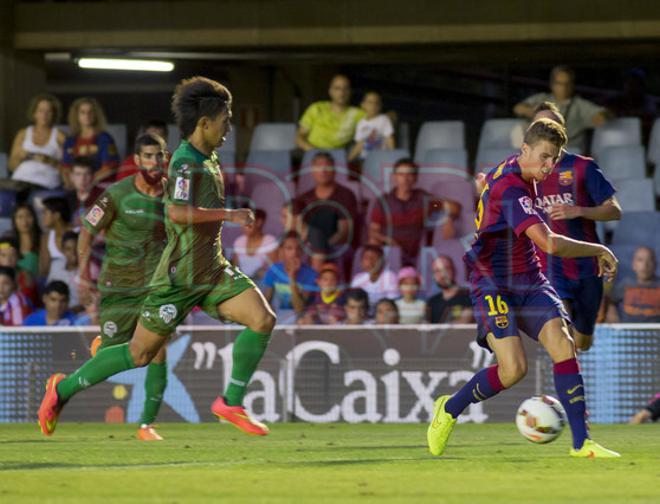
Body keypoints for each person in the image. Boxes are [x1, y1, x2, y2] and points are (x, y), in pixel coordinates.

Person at [38, 76, 277, 438]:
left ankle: (231, 402)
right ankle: (62, 389)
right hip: (179, 278)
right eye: (225, 121)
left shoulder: (209, 158)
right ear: (205, 123)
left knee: (262, 318)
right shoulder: (183, 162)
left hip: (211, 271)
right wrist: (230, 215)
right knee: (139, 355)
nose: (229, 129)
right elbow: (178, 213)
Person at [427, 118, 621, 459]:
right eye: (544, 157)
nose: (549, 167)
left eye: (554, 160)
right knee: (513, 370)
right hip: (492, 282)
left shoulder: (516, 171)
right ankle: (449, 409)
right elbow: (549, 244)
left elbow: (490, 180)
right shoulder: (512, 187)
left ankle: (582, 444)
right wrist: (600, 249)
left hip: (529, 277)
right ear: (525, 149)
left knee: (563, 342)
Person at [75, 132, 170, 440]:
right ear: (137, 160)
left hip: (155, 286)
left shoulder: (173, 195)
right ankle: (94, 356)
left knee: (158, 350)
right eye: (148, 156)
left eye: (159, 156)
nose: (155, 161)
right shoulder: (116, 194)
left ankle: (147, 425)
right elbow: (87, 231)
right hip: (119, 287)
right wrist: (83, 275)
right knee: (113, 353)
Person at [531, 102, 621, 350]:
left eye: (550, 124)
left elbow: (614, 211)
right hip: (549, 266)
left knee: (582, 342)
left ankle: (568, 382)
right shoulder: (524, 173)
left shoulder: (583, 167)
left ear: (561, 130)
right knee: (561, 332)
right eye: (539, 125)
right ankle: (566, 388)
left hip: (586, 267)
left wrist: (579, 210)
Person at [368, 158, 460, 266]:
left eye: (409, 175)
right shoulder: (383, 202)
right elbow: (373, 232)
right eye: (401, 174)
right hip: (389, 252)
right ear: (394, 177)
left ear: (415, 178)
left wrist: (449, 218)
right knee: (373, 242)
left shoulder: (423, 199)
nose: (405, 179)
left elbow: (454, 206)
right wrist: (389, 241)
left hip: (415, 252)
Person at [513, 65, 611, 153]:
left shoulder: (580, 105)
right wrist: (532, 112)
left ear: (572, 85)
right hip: (541, 153)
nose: (564, 88)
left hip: (569, 153)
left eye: (567, 84)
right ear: (552, 85)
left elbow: (604, 113)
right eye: (559, 83)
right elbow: (518, 108)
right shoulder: (542, 99)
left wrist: (602, 116)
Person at [295, 151, 358, 259]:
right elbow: (300, 228)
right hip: (310, 246)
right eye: (318, 167)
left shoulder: (346, 195)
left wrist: (321, 246)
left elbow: (344, 233)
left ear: (334, 170)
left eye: (327, 167)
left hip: (337, 246)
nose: (323, 171)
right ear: (312, 171)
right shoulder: (304, 198)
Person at [8, 93, 66, 189]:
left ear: (54, 114)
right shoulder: (23, 134)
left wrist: (49, 160)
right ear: (34, 113)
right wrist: (20, 157)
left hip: (46, 182)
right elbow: (11, 165)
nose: (44, 115)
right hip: (21, 180)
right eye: (41, 110)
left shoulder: (60, 136)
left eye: (49, 111)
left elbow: (68, 169)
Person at [296, 74, 365, 151]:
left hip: (338, 158)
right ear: (330, 91)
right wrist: (316, 153)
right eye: (337, 88)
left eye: (346, 89)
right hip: (312, 154)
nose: (342, 93)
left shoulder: (358, 114)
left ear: (350, 92)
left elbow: (370, 135)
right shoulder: (317, 108)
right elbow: (300, 137)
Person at [61, 97, 119, 185]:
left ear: (96, 115)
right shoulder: (70, 140)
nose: (87, 115)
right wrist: (70, 182)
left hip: (99, 185)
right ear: (76, 115)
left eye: (90, 112)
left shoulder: (105, 138)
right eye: (82, 112)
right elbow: (66, 166)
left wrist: (88, 182)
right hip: (75, 187)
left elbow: (110, 166)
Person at [262, 231, 318, 322]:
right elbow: (266, 301)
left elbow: (300, 309)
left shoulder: (311, 274)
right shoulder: (274, 270)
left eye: (298, 248)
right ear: (282, 250)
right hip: (278, 319)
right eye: (289, 248)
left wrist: (292, 277)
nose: (294, 252)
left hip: (301, 320)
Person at [606, 246, 660, 323]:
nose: (645, 265)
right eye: (640, 260)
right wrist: (612, 315)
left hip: (655, 331)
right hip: (629, 331)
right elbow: (612, 301)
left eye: (650, 260)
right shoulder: (626, 284)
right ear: (634, 265)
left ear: (655, 264)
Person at [231, 208, 278, 282]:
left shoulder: (270, 242)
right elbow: (235, 268)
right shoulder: (239, 242)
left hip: (263, 284)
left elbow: (272, 270)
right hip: (243, 284)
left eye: (247, 223)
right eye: (242, 223)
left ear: (259, 222)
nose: (243, 226)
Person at [348, 91, 395, 162]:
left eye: (377, 103)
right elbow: (359, 144)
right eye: (370, 102)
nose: (373, 106)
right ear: (362, 105)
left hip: (380, 157)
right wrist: (349, 159)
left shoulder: (384, 119)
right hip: (364, 159)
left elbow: (389, 139)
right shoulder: (361, 123)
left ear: (380, 106)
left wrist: (393, 157)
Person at [427, 255, 473, 323]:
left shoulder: (469, 298)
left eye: (446, 269)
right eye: (437, 271)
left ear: (454, 270)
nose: (442, 274)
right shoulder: (432, 302)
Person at [38, 197, 74, 279]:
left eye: (45, 213)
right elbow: (44, 270)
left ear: (57, 215)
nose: (43, 217)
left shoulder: (79, 233)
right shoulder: (46, 238)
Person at [0, 237, 38, 305]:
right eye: (3, 255)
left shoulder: (26, 276)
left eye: (12, 255)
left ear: (18, 256)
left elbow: (28, 300)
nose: (8, 260)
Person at [70, 157, 105, 227]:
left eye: (87, 174)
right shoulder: (68, 198)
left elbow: (91, 225)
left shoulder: (103, 197)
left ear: (93, 176)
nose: (82, 179)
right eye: (78, 174)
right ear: (71, 177)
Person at [10, 203, 41, 278]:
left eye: (28, 216)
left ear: (34, 218)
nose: (24, 221)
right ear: (14, 221)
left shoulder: (43, 240)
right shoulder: (9, 242)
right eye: (20, 217)